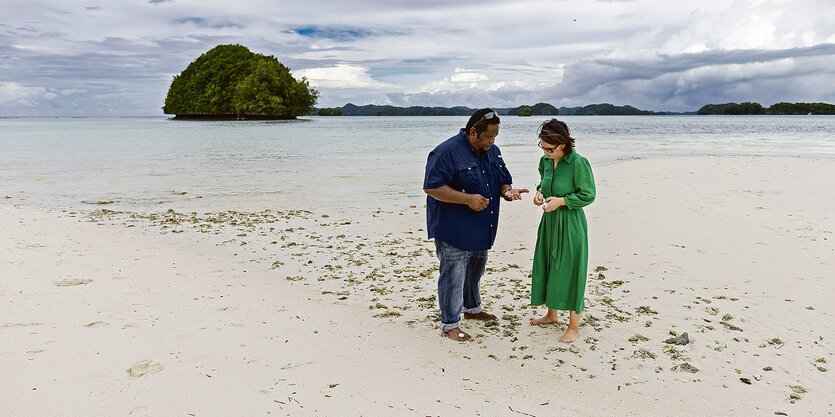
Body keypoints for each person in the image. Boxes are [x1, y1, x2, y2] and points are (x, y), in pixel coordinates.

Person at [423, 108, 529, 342]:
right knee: (453, 276)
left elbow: (502, 180)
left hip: (483, 227)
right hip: (454, 228)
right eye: (489, 137)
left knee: (474, 272)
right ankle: (450, 324)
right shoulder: (446, 152)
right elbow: (432, 186)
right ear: (473, 132)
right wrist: (467, 199)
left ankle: (472, 309)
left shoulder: (493, 151)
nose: (492, 142)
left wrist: (508, 192)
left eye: (495, 137)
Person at [529, 118, 596, 343]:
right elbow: (543, 183)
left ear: (563, 144)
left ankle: (574, 326)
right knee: (548, 264)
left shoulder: (578, 163)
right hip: (549, 222)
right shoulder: (545, 162)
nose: (546, 152)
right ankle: (551, 315)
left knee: (570, 269)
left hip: (570, 223)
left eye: (550, 148)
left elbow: (588, 194)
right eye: (543, 147)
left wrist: (563, 201)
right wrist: (539, 193)